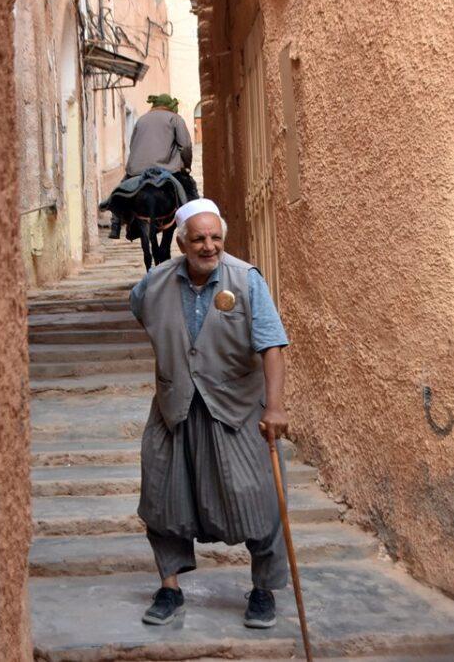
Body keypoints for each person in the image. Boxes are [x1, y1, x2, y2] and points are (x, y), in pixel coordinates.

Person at [129, 198, 290, 629]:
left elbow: (272, 346)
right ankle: (169, 588)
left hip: (236, 408)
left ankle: (263, 590)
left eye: (215, 237)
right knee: (162, 499)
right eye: (199, 238)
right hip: (175, 408)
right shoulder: (154, 283)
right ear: (181, 242)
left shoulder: (247, 279)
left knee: (261, 499)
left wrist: (275, 406)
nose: (208, 246)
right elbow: (144, 313)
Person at [104, 94, 199, 239]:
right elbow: (185, 146)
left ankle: (115, 225)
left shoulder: (141, 120)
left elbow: (132, 145)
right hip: (166, 169)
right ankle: (195, 222)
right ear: (171, 106)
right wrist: (186, 165)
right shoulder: (175, 119)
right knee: (190, 189)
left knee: (120, 191)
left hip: (137, 170)